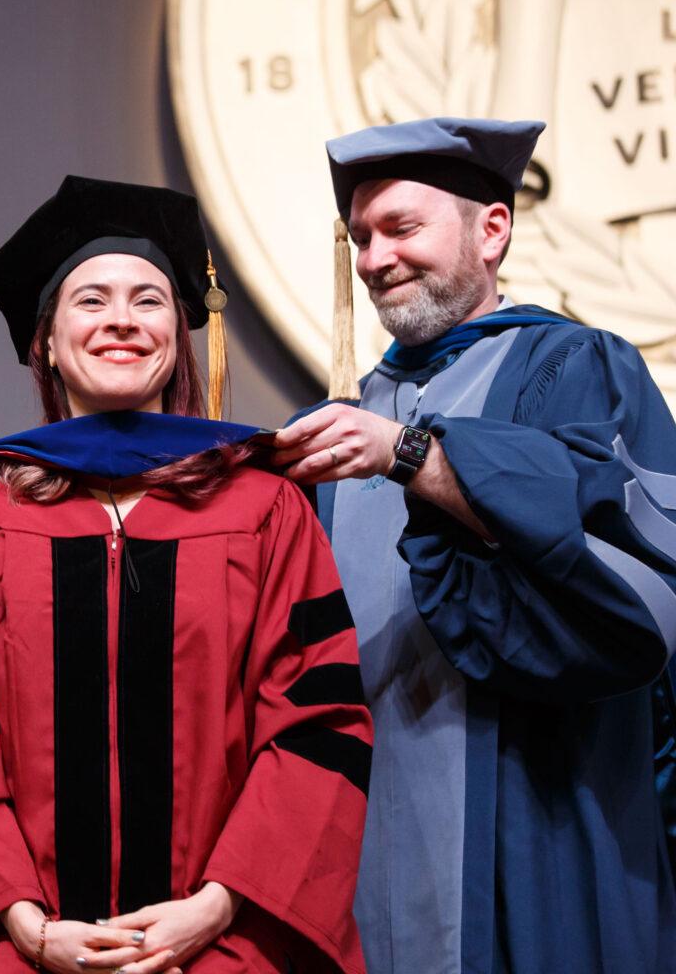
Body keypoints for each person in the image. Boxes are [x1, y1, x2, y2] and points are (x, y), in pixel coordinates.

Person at [0, 176, 371, 974]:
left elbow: (315, 722)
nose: (121, 320)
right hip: (22, 950)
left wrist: (215, 907)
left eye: (149, 300)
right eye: (90, 301)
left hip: (227, 943)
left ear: (182, 334)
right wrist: (25, 924)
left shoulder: (266, 511)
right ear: (47, 342)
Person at [273, 117, 676, 972]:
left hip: (549, 824)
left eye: (403, 228)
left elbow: (634, 597)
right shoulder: (333, 431)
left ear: (492, 229)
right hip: (370, 845)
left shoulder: (575, 369)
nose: (377, 258)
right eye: (362, 237)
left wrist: (415, 457)